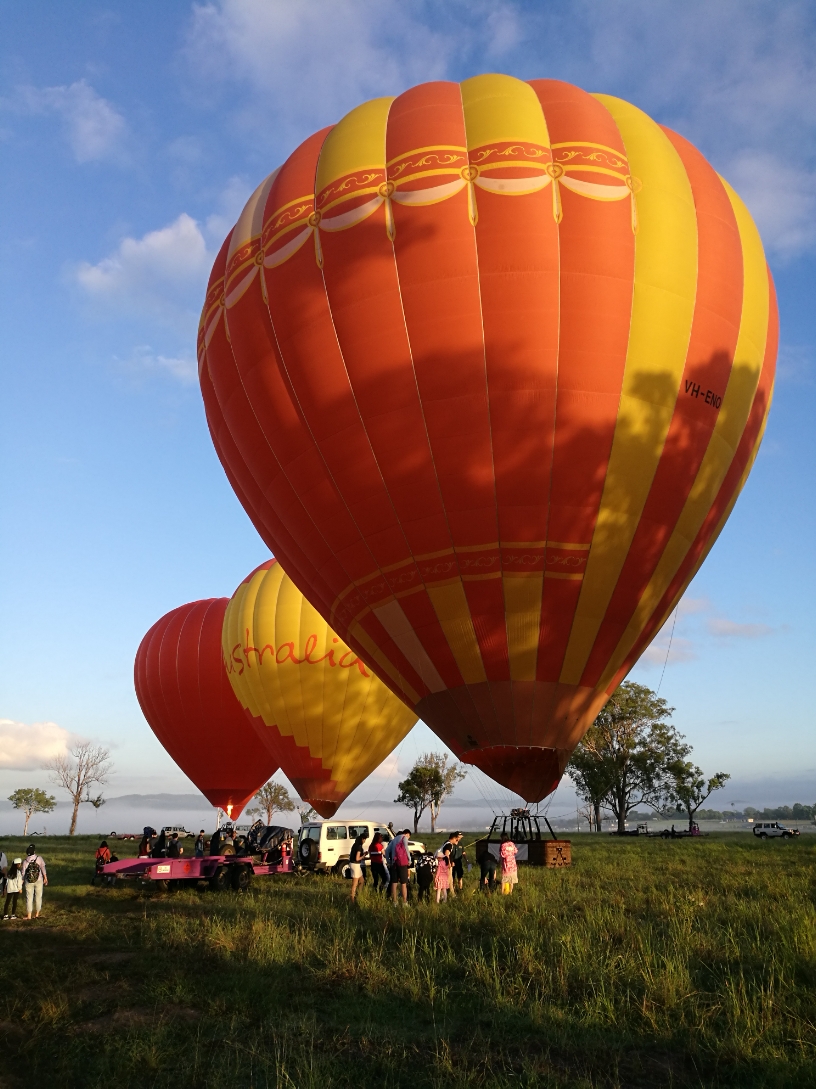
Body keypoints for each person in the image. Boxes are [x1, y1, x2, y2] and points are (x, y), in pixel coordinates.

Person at [23, 844, 47, 920]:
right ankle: (37, 914)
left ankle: (29, 915)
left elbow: (23, 872)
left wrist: (22, 881)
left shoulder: (25, 861)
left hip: (28, 881)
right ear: (34, 851)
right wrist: (45, 878)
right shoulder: (39, 858)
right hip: (39, 880)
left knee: (29, 898)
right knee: (38, 896)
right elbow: (43, 868)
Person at [387, 829, 411, 903]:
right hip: (402, 863)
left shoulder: (394, 840)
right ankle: (404, 902)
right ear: (406, 834)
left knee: (394, 883)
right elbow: (406, 849)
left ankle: (395, 902)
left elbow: (387, 850)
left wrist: (389, 861)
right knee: (403, 883)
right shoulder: (404, 838)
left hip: (394, 863)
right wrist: (409, 859)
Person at [348, 830, 369, 902]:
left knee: (362, 881)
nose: (365, 841)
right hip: (355, 865)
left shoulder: (355, 845)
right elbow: (357, 858)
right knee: (355, 883)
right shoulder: (359, 847)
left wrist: (365, 856)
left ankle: (357, 895)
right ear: (362, 839)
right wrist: (363, 855)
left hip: (354, 864)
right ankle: (352, 899)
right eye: (365, 839)